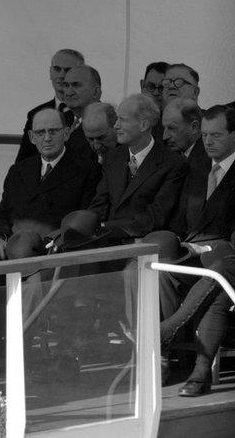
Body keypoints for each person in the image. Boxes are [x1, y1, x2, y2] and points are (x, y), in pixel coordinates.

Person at [159, 105, 235, 397]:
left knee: (218, 277)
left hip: (225, 256)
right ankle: (167, 360)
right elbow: (181, 220)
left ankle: (172, 337)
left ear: (234, 135)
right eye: (204, 135)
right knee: (163, 268)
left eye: (216, 135)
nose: (208, 142)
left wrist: (207, 245)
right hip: (198, 254)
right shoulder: (198, 169)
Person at [0, 107, 101, 259]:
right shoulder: (18, 171)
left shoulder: (88, 171)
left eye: (53, 131)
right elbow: (2, 210)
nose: (47, 138)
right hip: (14, 252)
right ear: (32, 137)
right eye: (40, 132)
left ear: (66, 133)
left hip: (55, 256)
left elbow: (84, 221)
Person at [87, 94, 188, 243]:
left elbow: (156, 216)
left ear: (144, 125)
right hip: (105, 243)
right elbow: (100, 204)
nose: (115, 126)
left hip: (144, 246)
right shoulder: (112, 158)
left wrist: (106, 228)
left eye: (122, 120)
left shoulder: (173, 164)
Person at [14, 49, 84, 162]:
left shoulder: (93, 112)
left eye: (67, 70)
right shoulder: (35, 114)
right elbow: (22, 162)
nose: (61, 75)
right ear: (50, 72)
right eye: (57, 69)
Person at [162, 97, 208, 168]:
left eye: (172, 128)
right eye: (164, 128)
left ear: (194, 127)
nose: (165, 137)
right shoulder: (167, 156)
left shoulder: (210, 160)